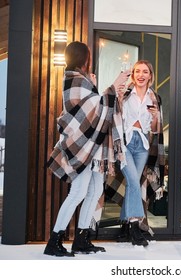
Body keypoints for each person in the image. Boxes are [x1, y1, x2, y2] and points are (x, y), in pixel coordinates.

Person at [45, 41, 129, 257]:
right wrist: (112, 87)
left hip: (92, 148)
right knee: (78, 192)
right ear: (84, 58)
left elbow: (96, 106)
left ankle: (81, 239)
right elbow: (91, 108)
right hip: (82, 145)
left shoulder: (82, 80)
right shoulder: (73, 80)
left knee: (95, 191)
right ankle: (53, 241)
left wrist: (107, 91)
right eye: (89, 56)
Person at [116, 60, 164, 246]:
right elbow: (116, 114)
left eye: (145, 72)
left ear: (150, 75)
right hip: (125, 143)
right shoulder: (126, 93)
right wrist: (118, 97)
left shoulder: (154, 98)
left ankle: (124, 227)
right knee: (134, 183)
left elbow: (154, 129)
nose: (141, 75)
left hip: (143, 144)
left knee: (132, 185)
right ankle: (136, 229)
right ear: (133, 74)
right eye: (137, 71)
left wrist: (155, 117)